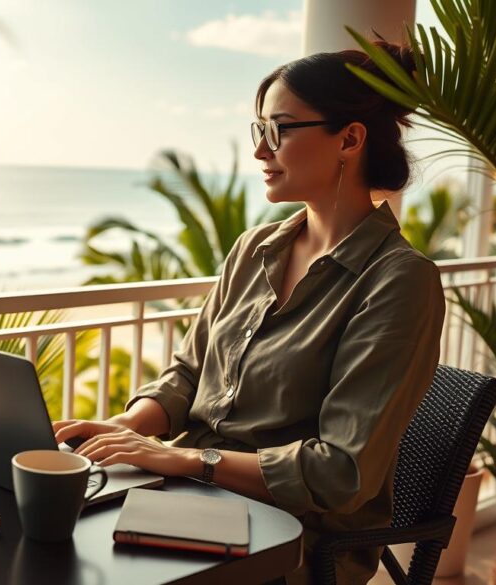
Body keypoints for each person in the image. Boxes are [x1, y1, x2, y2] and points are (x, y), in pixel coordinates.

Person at [53, 40, 446, 585]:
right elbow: (188, 374)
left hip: (293, 534)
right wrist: (126, 429)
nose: (260, 152)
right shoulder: (253, 249)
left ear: (349, 139)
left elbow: (340, 472)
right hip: (187, 493)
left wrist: (185, 460)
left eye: (278, 131)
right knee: (49, 532)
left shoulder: (399, 280)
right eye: (257, 131)